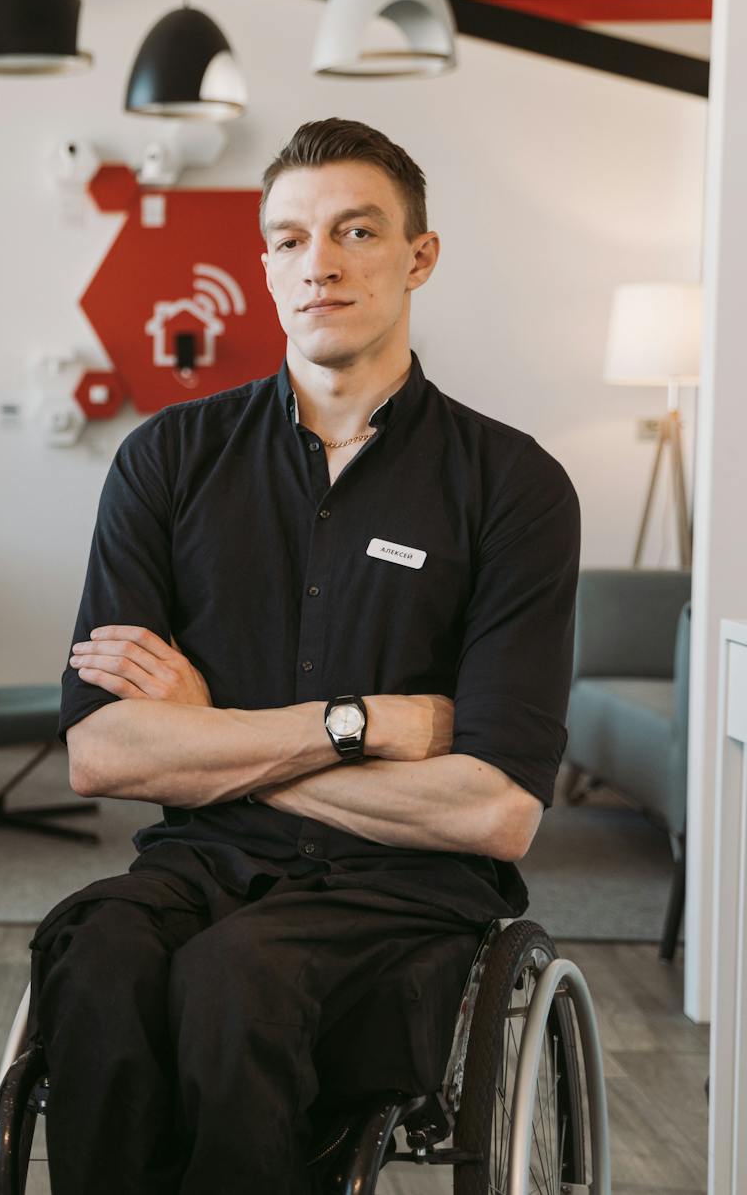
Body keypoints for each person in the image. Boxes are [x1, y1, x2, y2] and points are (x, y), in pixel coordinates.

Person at [34, 119, 582, 1194]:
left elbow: (493, 810)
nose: (316, 263)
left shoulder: (511, 487)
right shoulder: (166, 461)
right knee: (91, 950)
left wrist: (209, 734)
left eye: (354, 231)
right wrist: (357, 724)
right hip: (199, 865)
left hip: (404, 897)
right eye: (286, 239)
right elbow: (100, 754)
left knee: (238, 978)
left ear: (416, 257)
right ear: (263, 265)